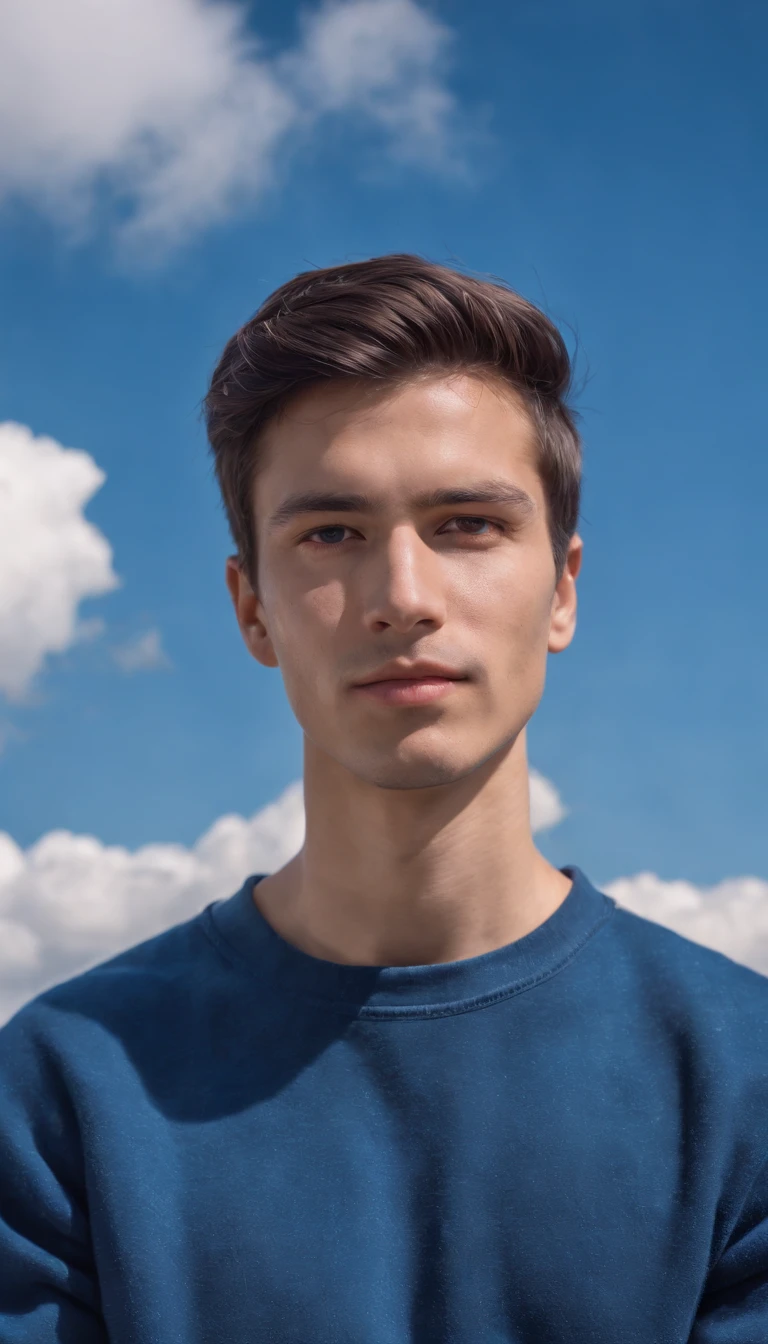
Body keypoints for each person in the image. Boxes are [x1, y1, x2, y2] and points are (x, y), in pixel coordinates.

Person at [1, 254, 766, 1344]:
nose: (402, 597)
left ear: (563, 589)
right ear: (252, 609)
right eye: (331, 534)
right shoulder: (57, 1093)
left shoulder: (744, 1087)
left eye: (467, 525)